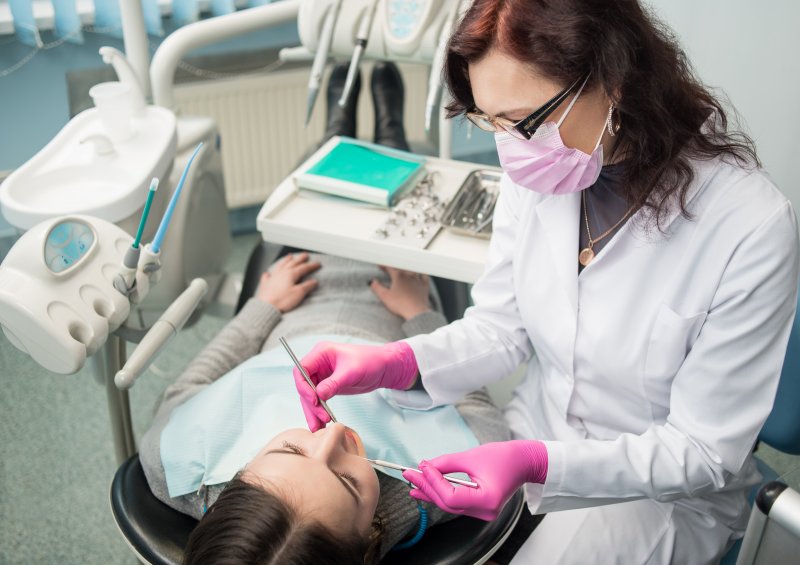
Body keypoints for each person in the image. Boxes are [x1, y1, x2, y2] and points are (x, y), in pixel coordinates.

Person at [292, 1, 800, 563]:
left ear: (614, 78)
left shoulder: (749, 227)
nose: (512, 150)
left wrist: (536, 464)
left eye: (525, 121)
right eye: (492, 122)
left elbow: (702, 450)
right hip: (537, 425)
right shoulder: (543, 163)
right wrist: (397, 362)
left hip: (660, 494)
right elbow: (501, 329)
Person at [138, 62, 515, 564]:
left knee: (316, 180)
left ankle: (335, 128)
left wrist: (259, 310)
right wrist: (419, 318)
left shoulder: (177, 467)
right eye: (345, 480)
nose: (333, 434)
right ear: (364, 547)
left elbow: (189, 391)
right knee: (399, 185)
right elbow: (483, 422)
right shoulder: (434, 490)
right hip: (389, 300)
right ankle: (391, 129)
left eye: (288, 451)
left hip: (298, 293)